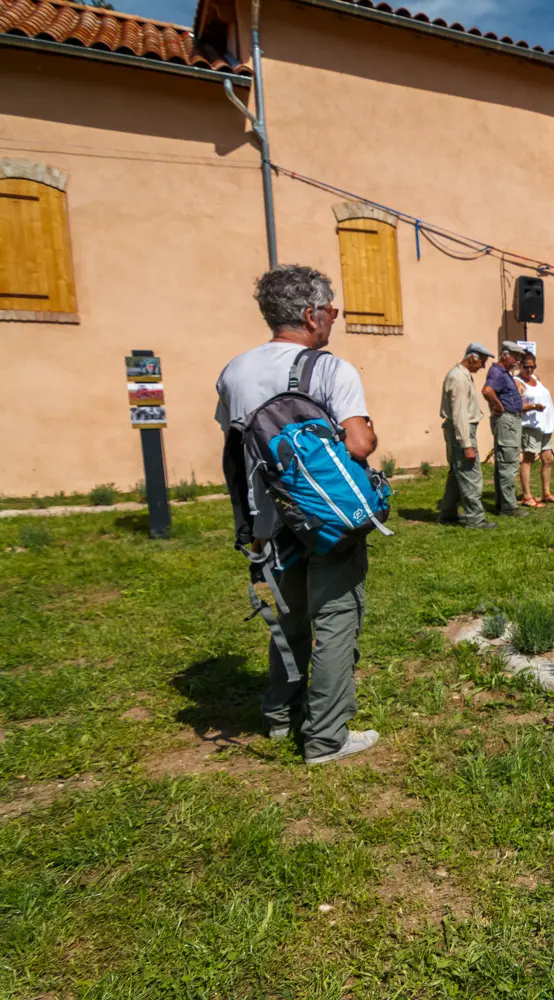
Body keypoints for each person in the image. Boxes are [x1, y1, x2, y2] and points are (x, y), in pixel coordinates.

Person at [214, 264, 379, 765]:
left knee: (289, 622)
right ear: (310, 315)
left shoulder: (234, 370)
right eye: (331, 310)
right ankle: (327, 738)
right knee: (334, 621)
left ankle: (281, 718)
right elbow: (359, 443)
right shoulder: (330, 369)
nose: (335, 318)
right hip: (327, 521)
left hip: (268, 522)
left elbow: (236, 448)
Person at [438, 343, 497, 529]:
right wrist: (466, 444)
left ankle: (448, 514)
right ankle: (476, 519)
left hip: (460, 429)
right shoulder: (459, 378)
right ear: (472, 358)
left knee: (457, 473)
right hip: (462, 430)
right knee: (471, 474)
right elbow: (459, 413)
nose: (483, 367)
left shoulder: (461, 375)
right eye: (482, 362)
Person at [482, 340, 527, 517]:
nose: (517, 362)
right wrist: (499, 406)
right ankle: (509, 506)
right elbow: (487, 391)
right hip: (507, 421)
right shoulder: (497, 372)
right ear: (505, 355)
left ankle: (503, 504)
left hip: (510, 421)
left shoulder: (503, 373)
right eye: (515, 357)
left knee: (505, 461)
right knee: (508, 462)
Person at [516, 351, 554, 506]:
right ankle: (527, 496)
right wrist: (533, 406)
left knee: (547, 459)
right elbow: (517, 407)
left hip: (545, 424)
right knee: (528, 459)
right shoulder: (517, 382)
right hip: (530, 426)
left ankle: (546, 492)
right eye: (527, 367)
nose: (530, 370)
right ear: (520, 366)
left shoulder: (536, 378)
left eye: (533, 367)